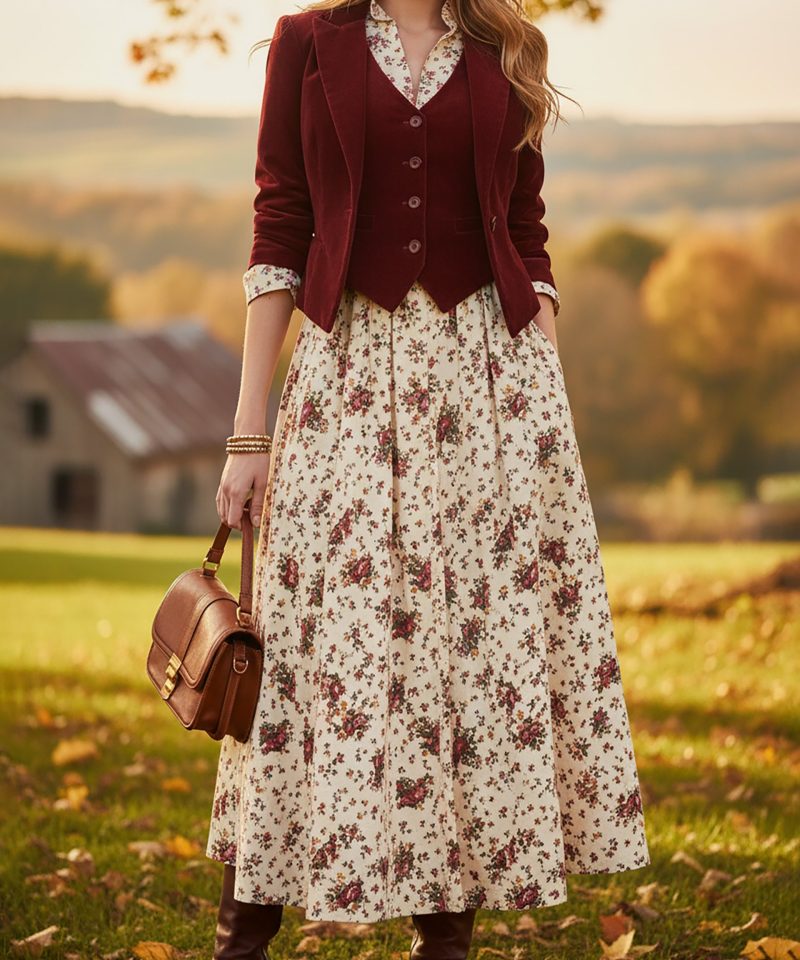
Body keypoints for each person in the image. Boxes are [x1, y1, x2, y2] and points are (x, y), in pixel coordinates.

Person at [206, 0, 651, 956]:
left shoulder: (507, 47)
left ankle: (445, 937)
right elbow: (280, 226)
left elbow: (525, 230)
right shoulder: (306, 44)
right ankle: (246, 931)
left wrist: (546, 405)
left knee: (470, 650)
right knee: (318, 645)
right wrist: (249, 432)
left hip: (486, 382)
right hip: (348, 375)